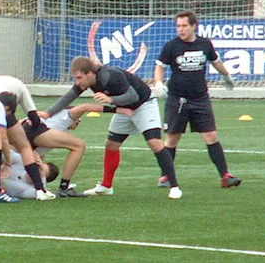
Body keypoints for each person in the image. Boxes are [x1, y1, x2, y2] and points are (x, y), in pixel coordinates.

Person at [42, 56, 183, 200]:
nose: (77, 82)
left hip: (143, 105)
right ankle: (106, 186)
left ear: (90, 73)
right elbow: (69, 96)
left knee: (155, 142)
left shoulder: (111, 76)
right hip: (123, 109)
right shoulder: (88, 80)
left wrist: (111, 100)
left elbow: (133, 96)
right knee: (111, 145)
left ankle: (174, 186)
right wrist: (48, 113)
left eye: (79, 78)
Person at [153, 10, 241, 188]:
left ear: (194, 26)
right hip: (177, 99)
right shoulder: (171, 46)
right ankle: (166, 176)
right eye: (178, 26)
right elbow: (160, 66)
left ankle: (225, 175)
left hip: (200, 98)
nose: (180, 29)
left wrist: (227, 76)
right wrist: (158, 83)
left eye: (184, 25)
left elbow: (215, 61)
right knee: (172, 139)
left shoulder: (205, 44)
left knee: (211, 135)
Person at [0, 75, 56, 200]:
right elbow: (33, 117)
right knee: (23, 146)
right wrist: (7, 163)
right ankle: (40, 189)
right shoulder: (17, 89)